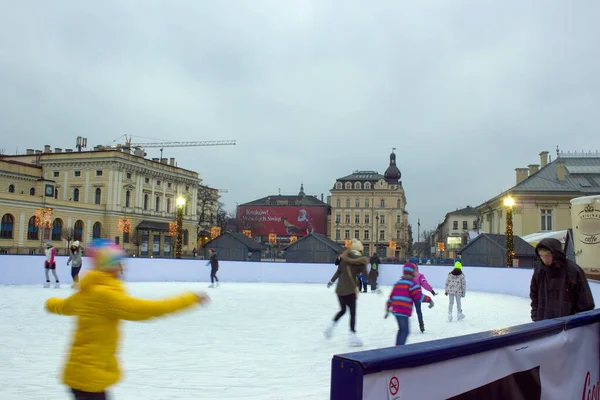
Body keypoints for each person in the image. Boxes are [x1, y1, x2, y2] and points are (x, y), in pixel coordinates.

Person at [44, 238, 210, 400]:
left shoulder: (87, 292)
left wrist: (50, 303)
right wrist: (189, 299)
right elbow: (149, 309)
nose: (122, 268)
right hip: (89, 377)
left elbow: (63, 306)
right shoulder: (107, 296)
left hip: (81, 373)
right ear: (109, 267)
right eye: (118, 263)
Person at [530, 238, 595, 322]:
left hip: (567, 328)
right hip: (543, 325)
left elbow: (586, 303)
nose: (545, 259)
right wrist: (535, 316)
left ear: (556, 254)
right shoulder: (539, 270)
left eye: (547, 255)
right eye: (541, 256)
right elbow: (534, 295)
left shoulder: (573, 271)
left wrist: (575, 324)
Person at [324, 239, 370, 346]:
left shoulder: (344, 260)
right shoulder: (359, 262)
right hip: (350, 291)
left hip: (339, 290)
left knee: (343, 310)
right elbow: (366, 276)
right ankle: (352, 336)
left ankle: (330, 327)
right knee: (352, 312)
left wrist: (331, 281)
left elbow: (338, 271)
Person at [385, 263, 434, 346]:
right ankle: (399, 349)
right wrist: (429, 300)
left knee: (401, 330)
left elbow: (391, 297)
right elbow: (418, 296)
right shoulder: (412, 284)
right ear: (412, 272)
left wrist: (388, 307)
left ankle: (397, 347)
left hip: (396, 310)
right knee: (405, 331)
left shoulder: (398, 283)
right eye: (414, 271)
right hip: (403, 310)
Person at [413, 265, 437, 333]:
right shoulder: (420, 275)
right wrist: (432, 291)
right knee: (418, 311)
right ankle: (421, 325)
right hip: (417, 295)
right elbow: (425, 284)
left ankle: (403, 325)